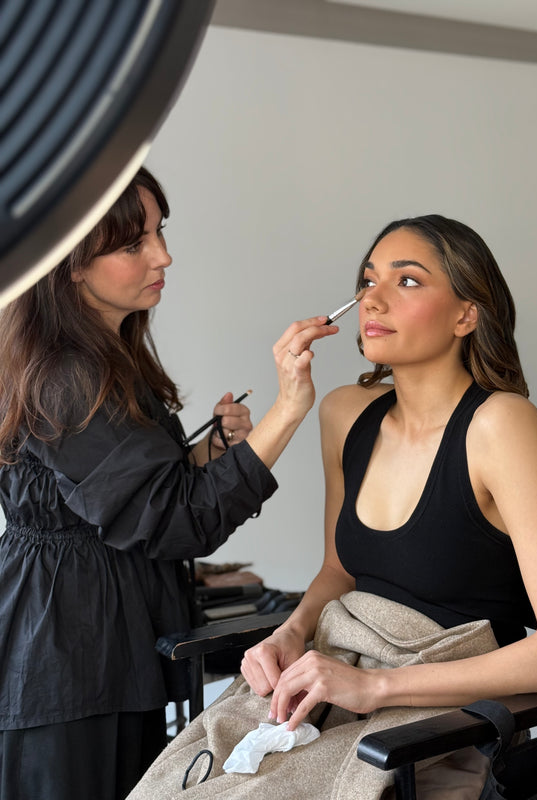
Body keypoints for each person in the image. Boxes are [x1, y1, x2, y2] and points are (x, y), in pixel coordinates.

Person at [0, 166, 339, 800]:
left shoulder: (106, 353)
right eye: (134, 244)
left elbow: (126, 491)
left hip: (106, 639)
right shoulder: (65, 375)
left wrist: (209, 454)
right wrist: (288, 410)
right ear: (70, 264)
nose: (163, 255)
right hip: (68, 653)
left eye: (160, 232)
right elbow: (177, 521)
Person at [236, 214, 537, 790]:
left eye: (407, 280)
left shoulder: (502, 426)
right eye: (368, 279)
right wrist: (291, 631)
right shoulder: (344, 412)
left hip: (441, 734)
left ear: (466, 315)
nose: (372, 299)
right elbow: (339, 570)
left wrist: (374, 688)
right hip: (335, 687)